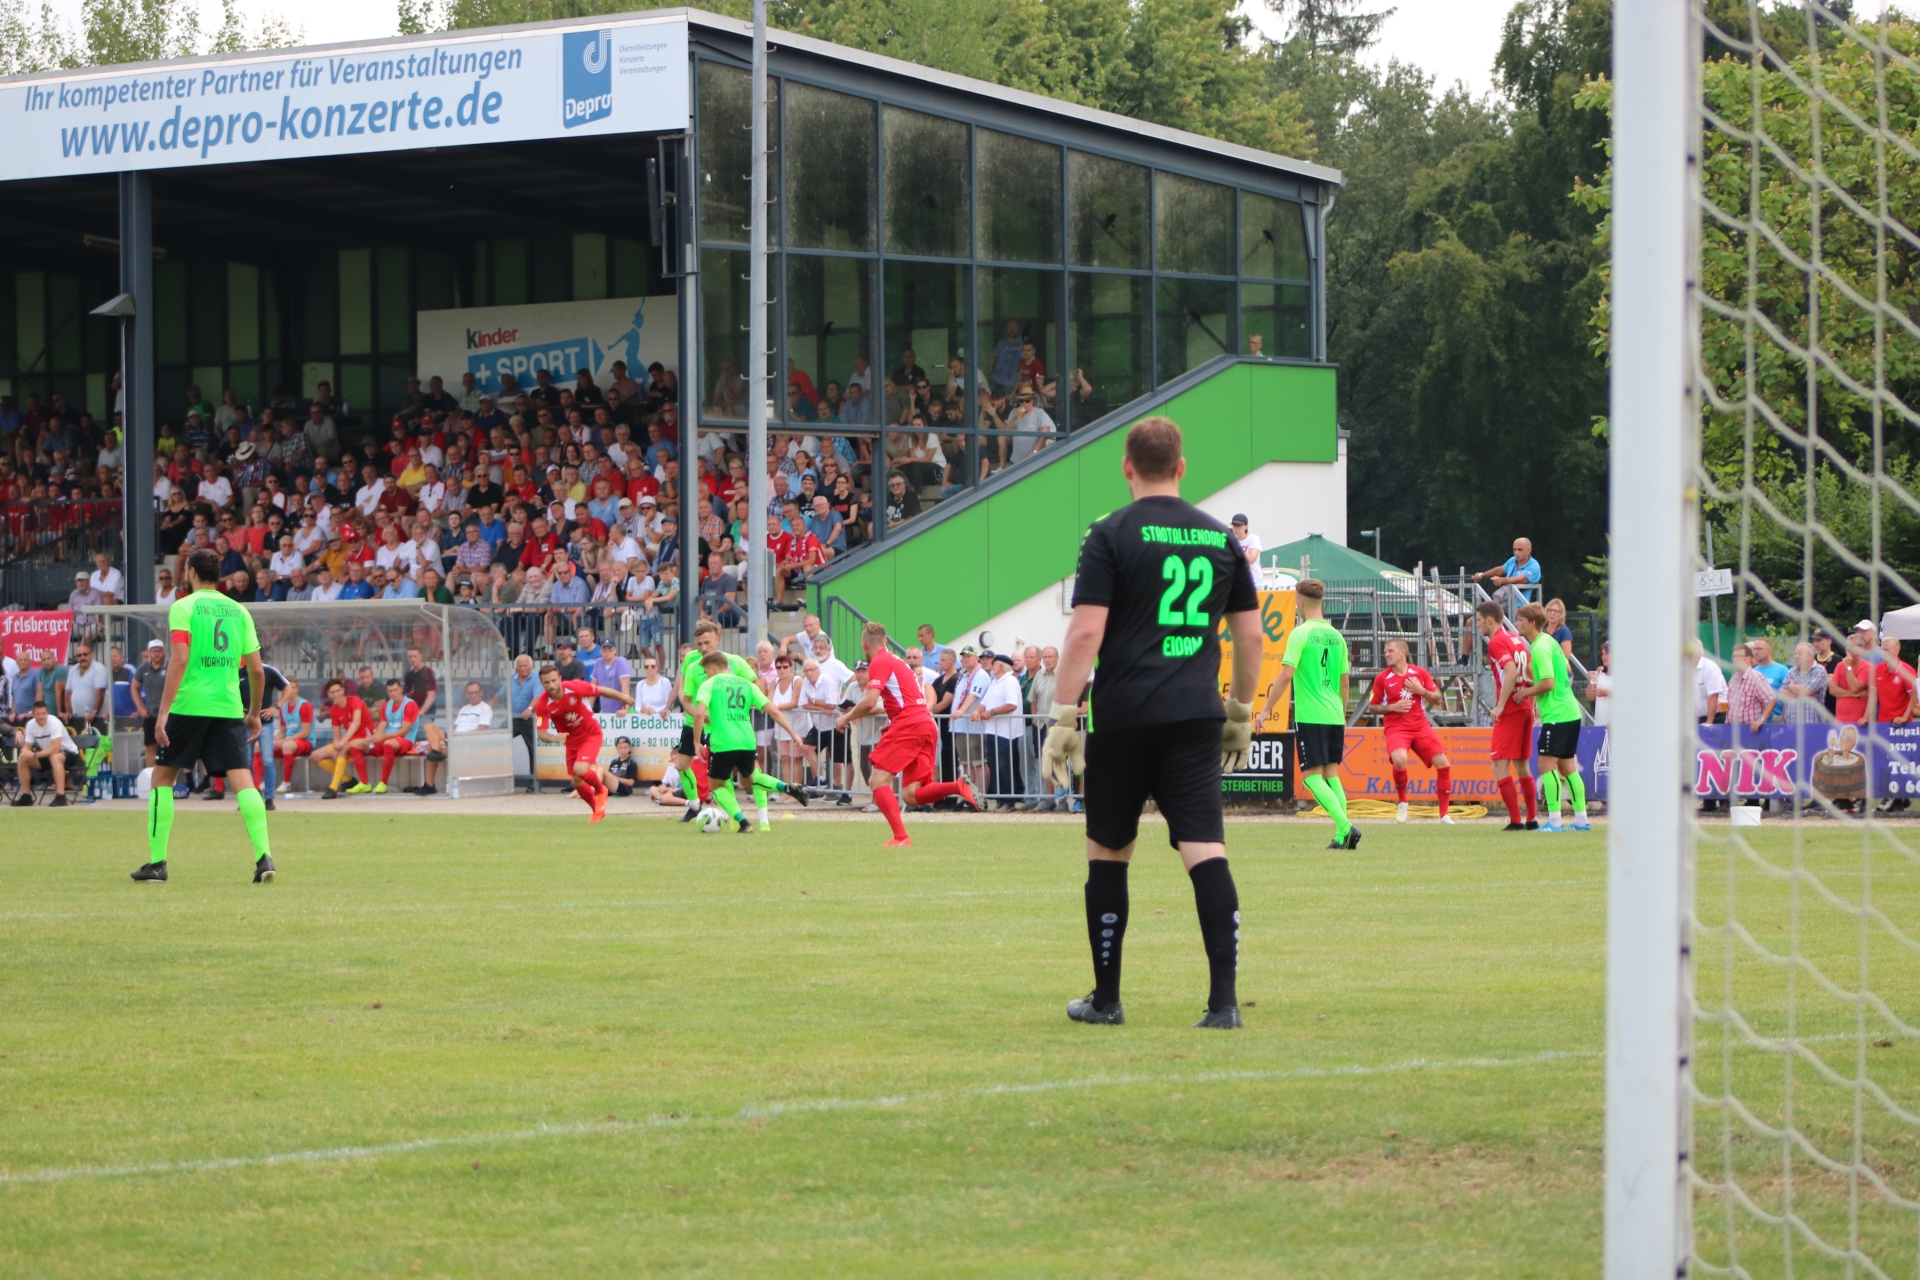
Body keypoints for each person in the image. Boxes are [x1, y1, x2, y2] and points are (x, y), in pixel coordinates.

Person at [1038, 416, 1262, 1031]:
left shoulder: (1108, 532)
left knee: (1109, 851)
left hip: (1125, 713)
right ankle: (1224, 1004)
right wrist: (1240, 710)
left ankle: (1107, 1000)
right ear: (1182, 467)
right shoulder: (1221, 539)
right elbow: (1250, 638)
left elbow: (1085, 633)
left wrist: (1064, 716)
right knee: (1206, 850)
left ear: (1127, 467)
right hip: (1194, 712)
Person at [131, 549, 275, 883]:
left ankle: (157, 863)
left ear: (192, 572)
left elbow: (180, 660)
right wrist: (254, 713)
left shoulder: (184, 607)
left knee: (162, 779)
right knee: (243, 781)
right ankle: (264, 857)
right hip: (227, 707)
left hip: (189, 705)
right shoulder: (239, 610)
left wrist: (163, 713)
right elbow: (257, 670)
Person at [835, 622, 978, 845]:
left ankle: (901, 837)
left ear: (864, 645)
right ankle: (958, 786)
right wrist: (893, 723)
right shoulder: (898, 661)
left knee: (877, 781)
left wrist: (845, 717)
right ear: (886, 641)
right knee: (911, 795)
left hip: (910, 724)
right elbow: (906, 697)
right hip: (925, 724)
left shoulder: (880, 661)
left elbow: (870, 701)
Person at [1255, 579, 1355, 849]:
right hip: (1334, 713)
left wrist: (1265, 710)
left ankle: (1346, 826)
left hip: (1311, 714)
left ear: (1300, 602)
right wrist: (1342, 714)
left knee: (1311, 778)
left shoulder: (1300, 633)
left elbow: (1285, 675)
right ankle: (1341, 836)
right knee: (1331, 775)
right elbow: (1345, 682)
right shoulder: (1337, 636)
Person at [692, 650, 810, 832]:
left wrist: (696, 742)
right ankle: (787, 787)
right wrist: (793, 733)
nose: (706, 675)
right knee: (750, 780)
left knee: (716, 786)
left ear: (713, 668)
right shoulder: (748, 684)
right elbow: (774, 710)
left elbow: (699, 713)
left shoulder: (710, 684)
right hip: (747, 740)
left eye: (706, 671)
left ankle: (744, 823)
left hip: (723, 741)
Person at [670, 620, 757, 822]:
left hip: (720, 726)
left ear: (717, 639)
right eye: (699, 644)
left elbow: (755, 686)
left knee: (722, 773)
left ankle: (730, 812)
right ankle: (694, 805)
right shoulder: (692, 662)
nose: (703, 648)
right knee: (681, 765)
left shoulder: (733, 662)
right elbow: (685, 697)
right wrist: (696, 713)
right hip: (694, 722)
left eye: (707, 642)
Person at [1515, 603, 1589, 832]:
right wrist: (1535, 681)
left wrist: (1526, 692)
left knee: (1545, 765)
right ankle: (1581, 820)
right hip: (1570, 711)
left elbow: (1548, 683)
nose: (1517, 623)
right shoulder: (1550, 641)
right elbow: (1566, 670)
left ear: (1532, 623)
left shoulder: (1539, 647)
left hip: (1557, 714)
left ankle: (1555, 821)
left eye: (1520, 620)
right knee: (1568, 768)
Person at [1366, 637, 1454, 824]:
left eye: (1390, 651)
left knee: (1444, 764)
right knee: (1400, 760)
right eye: (1385, 651)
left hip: (1420, 725)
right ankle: (1403, 802)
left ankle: (1443, 815)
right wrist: (1392, 707)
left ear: (1402, 652)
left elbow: (1438, 699)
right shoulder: (1382, 678)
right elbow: (1372, 707)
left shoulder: (1419, 673)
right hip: (1396, 726)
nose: (1386, 654)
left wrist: (1421, 690)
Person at [535, 664, 634, 822]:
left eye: (554, 680)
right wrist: (554, 738)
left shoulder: (575, 687)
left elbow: (600, 690)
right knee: (576, 781)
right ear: (542, 683)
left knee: (580, 769)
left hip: (591, 734)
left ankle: (601, 790)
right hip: (571, 741)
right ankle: (597, 810)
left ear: (560, 679)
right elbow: (541, 733)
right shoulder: (543, 703)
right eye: (546, 682)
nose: (551, 685)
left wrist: (623, 697)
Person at [1481, 601, 1538, 830]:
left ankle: (1515, 821)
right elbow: (1531, 673)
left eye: (1479, 621)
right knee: (1522, 766)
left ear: (1489, 620)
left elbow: (1512, 672)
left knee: (1499, 766)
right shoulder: (1516, 638)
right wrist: (1532, 704)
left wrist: (1500, 706)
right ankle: (1532, 820)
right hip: (1524, 707)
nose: (1477, 625)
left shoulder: (1496, 642)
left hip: (1511, 709)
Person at [11, 702, 80, 806]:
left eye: (43, 713)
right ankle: (26, 796)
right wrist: (25, 753)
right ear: (33, 714)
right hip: (47, 754)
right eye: (38, 714)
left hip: (69, 753)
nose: (41, 717)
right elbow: (27, 746)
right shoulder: (30, 725)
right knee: (22, 758)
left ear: (47, 713)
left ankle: (61, 796)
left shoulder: (54, 722)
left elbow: (56, 748)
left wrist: (34, 755)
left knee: (55, 757)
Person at [314, 678, 372, 800]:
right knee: (316, 756)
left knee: (343, 748)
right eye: (333, 692)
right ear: (329, 694)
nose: (336, 694)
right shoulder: (334, 709)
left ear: (343, 690)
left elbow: (356, 722)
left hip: (367, 739)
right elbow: (337, 735)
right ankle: (348, 779)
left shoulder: (354, 700)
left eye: (338, 691)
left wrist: (342, 742)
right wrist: (336, 745)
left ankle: (333, 788)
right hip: (350, 741)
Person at [1472, 537, 1542, 608]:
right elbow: (1500, 570)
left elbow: (1519, 580)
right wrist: (1481, 575)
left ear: (1529, 550)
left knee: (1490, 610)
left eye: (1520, 549)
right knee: (1487, 610)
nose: (1516, 553)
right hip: (1504, 601)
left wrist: (1501, 580)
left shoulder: (1534, 566)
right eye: (1514, 550)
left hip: (1520, 605)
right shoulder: (1512, 560)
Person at [272, 676, 316, 787]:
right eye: (287, 688)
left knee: (286, 746)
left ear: (297, 689)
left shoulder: (305, 705)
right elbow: (283, 731)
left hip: (306, 742)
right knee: (262, 747)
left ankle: (286, 783)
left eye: (293, 687)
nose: (290, 690)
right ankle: (266, 781)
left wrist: (284, 740)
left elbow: (305, 733)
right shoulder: (283, 707)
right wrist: (273, 740)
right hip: (290, 740)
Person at [1584, 641, 1612, 727]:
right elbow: (1590, 697)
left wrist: (1608, 693)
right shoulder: (1599, 671)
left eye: (1607, 653)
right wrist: (1592, 681)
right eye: (1602, 654)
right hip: (1600, 722)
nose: (1604, 657)